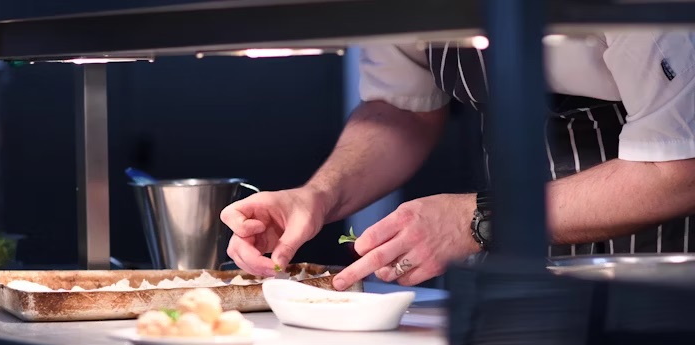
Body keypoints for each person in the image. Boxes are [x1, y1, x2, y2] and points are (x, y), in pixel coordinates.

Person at [220, 31, 695, 290]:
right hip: (523, 278)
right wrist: (318, 196)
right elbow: (402, 108)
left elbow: (677, 170)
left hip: (664, 278)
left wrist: (476, 218)